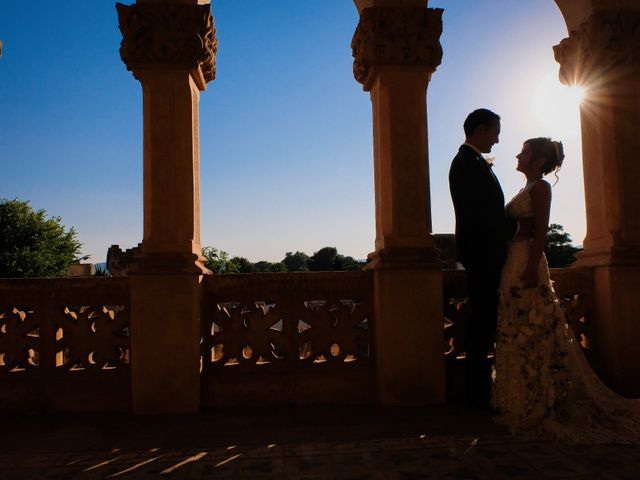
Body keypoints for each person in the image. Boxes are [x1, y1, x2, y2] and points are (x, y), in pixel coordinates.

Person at [492, 137, 640, 443]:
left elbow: (541, 231)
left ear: (536, 160)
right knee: (516, 326)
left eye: (525, 152)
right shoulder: (526, 188)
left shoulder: (542, 189)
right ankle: (520, 398)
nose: (518, 155)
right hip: (512, 260)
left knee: (533, 326)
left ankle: (539, 400)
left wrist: (532, 267)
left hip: (527, 261)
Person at [448, 108, 519, 408]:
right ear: (479, 130)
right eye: (495, 132)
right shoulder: (466, 163)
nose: (498, 139)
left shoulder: (472, 162)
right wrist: (518, 225)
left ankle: (481, 391)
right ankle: (478, 394)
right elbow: (482, 216)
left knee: (485, 322)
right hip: (483, 256)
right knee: (482, 324)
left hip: (484, 255)